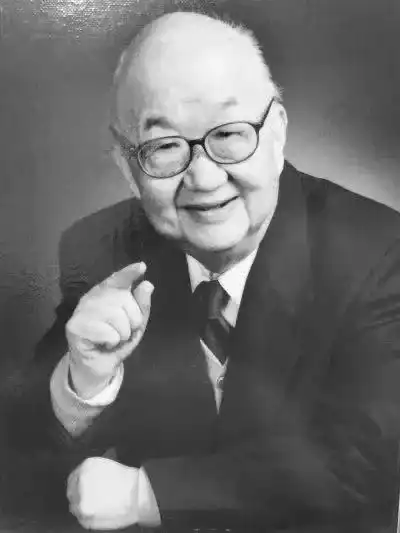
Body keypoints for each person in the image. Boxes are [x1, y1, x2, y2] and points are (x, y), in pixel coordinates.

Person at [9, 10, 400, 532]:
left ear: (277, 132)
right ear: (127, 166)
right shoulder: (102, 249)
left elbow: (365, 461)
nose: (205, 177)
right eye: (165, 146)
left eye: (230, 134)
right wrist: (84, 380)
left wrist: (147, 494)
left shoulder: (380, 251)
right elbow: (19, 444)